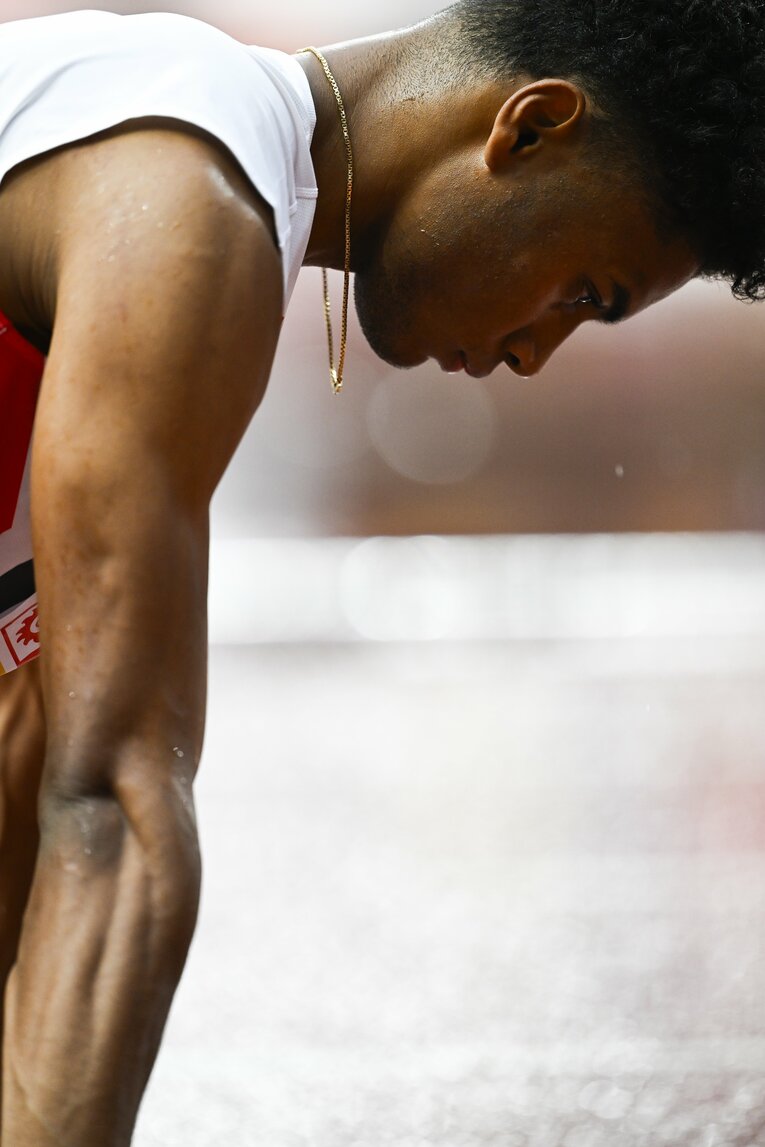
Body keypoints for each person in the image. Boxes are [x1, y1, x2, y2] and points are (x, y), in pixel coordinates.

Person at [0, 0, 762, 1140]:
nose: (534, 352)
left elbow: (31, 769)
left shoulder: (149, 131)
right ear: (530, 128)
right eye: (584, 293)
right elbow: (111, 804)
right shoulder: (185, 206)